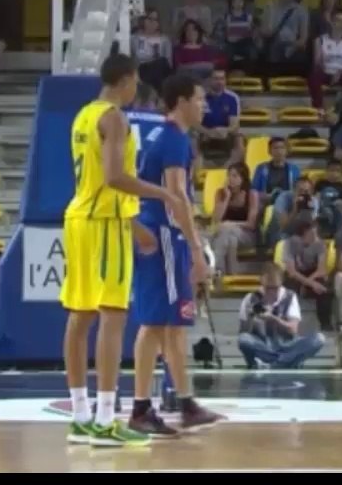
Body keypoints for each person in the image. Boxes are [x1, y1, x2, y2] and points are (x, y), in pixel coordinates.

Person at [61, 53, 183, 448]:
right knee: (113, 316)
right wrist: (161, 192)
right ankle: (104, 420)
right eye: (135, 84)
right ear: (127, 80)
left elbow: (96, 179)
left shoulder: (82, 115)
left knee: (79, 317)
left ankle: (80, 416)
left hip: (79, 218)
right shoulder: (114, 117)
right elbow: (115, 177)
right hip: (104, 223)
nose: (136, 92)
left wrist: (134, 225)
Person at [127, 73, 222, 438]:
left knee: (172, 324)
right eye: (200, 99)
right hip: (165, 235)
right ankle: (140, 408)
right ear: (181, 101)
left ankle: (186, 402)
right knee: (155, 324)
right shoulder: (173, 139)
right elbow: (176, 197)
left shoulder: (158, 135)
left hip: (159, 232)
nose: (205, 105)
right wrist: (196, 248)